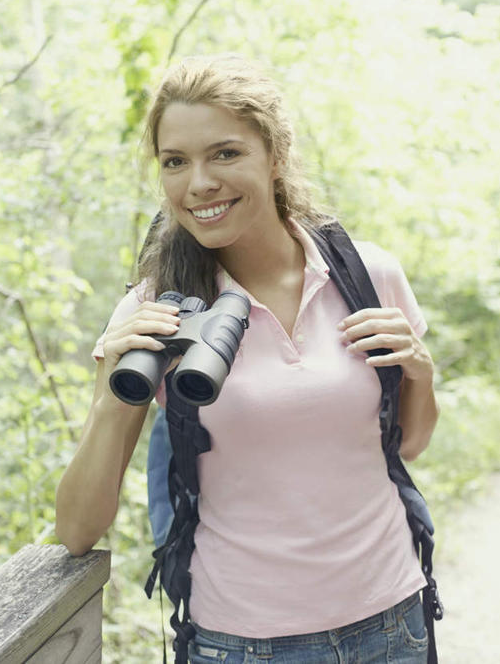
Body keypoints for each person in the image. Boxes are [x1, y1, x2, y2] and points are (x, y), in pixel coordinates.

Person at [55, 54, 440, 663]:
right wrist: (110, 401)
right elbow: (77, 530)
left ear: (276, 155)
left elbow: (408, 445)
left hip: (394, 619)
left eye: (225, 154)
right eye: (175, 161)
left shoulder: (367, 274)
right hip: (244, 643)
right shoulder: (154, 310)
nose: (198, 182)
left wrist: (419, 370)